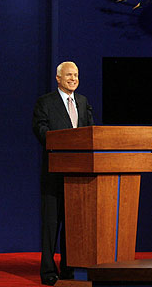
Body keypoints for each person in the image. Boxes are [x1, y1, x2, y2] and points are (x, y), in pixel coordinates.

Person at [32, 62, 94, 285]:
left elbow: (90, 132)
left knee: (72, 225)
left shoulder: (83, 102)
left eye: (76, 75)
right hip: (54, 173)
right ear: (58, 78)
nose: (73, 78)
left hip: (78, 175)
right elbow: (40, 130)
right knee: (51, 225)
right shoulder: (45, 102)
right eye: (69, 75)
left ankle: (69, 269)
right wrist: (63, 142)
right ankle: (48, 271)